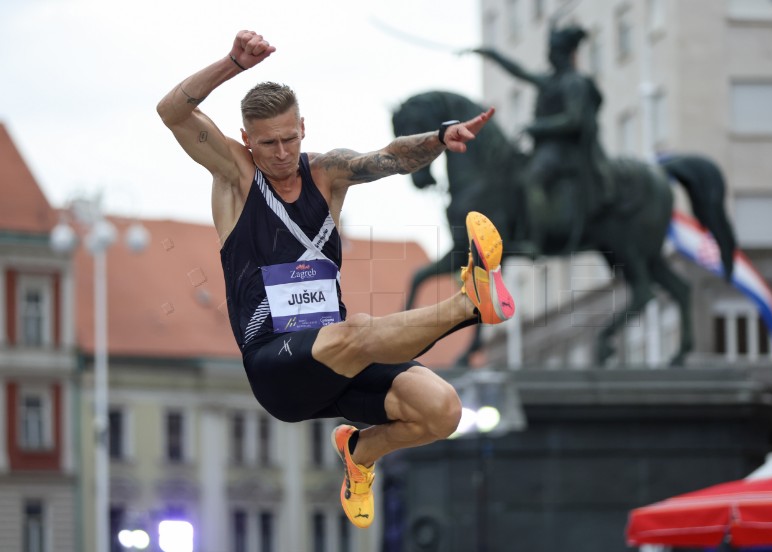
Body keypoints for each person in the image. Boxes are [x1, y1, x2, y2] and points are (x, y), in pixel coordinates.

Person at [156, 29, 516, 529]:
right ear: (246, 141)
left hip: (339, 360)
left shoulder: (327, 173)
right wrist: (232, 64)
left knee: (443, 410)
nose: (281, 153)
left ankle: (360, 452)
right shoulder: (236, 179)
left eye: (289, 138)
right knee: (358, 331)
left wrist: (437, 139)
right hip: (276, 364)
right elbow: (171, 112)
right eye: (267, 144)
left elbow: (388, 158)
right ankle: (468, 302)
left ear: (303, 127)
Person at [471, 26, 613, 241]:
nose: (550, 56)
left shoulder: (573, 82)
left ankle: (538, 237)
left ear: (564, 54)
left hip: (563, 149)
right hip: (546, 148)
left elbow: (574, 120)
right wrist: (492, 54)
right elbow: (520, 71)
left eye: (554, 51)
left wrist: (537, 127)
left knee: (532, 179)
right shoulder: (551, 80)